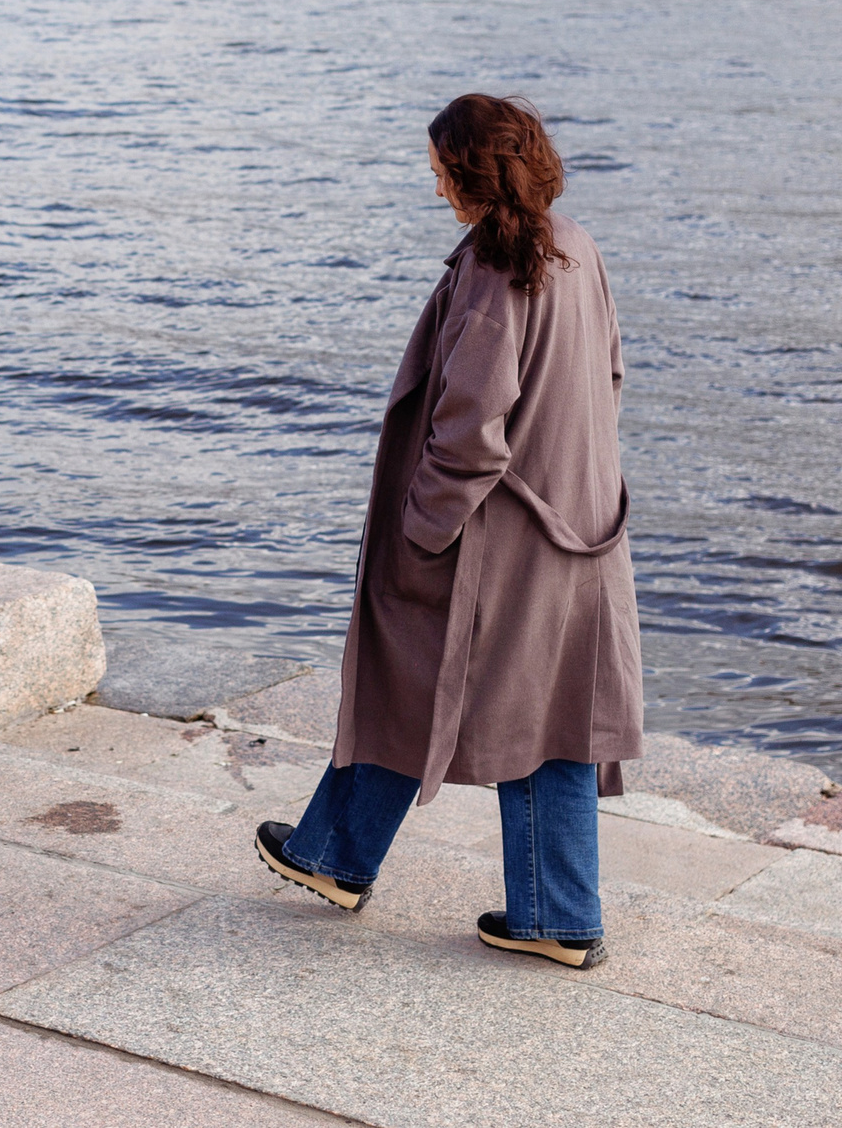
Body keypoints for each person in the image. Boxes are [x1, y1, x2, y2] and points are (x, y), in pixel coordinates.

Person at [254, 93, 641, 969]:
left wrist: (422, 528)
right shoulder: (577, 247)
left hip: (492, 539)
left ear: (471, 173)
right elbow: (610, 374)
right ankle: (345, 857)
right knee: (555, 712)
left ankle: (536, 910)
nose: (435, 189)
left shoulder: (495, 272)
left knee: (412, 669)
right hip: (578, 524)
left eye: (440, 173)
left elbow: (470, 430)